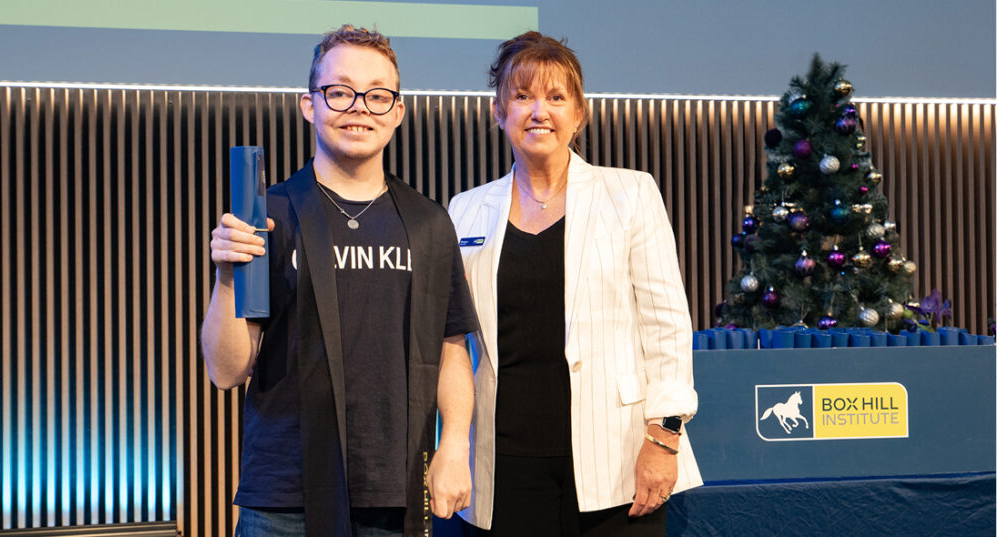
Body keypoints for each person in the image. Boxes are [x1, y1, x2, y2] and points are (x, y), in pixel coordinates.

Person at [201, 25, 479, 537]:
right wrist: (225, 280)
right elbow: (226, 371)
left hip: (395, 492)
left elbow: (451, 347)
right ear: (310, 105)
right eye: (340, 91)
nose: (359, 107)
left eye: (377, 95)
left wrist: (455, 445)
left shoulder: (428, 222)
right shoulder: (271, 216)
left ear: (396, 112)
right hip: (284, 497)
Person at [447, 32, 701, 536]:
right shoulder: (465, 209)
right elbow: (452, 337)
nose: (539, 111)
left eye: (555, 97)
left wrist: (665, 436)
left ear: (579, 114)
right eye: (522, 96)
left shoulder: (630, 193)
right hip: (504, 465)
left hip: (618, 462)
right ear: (499, 113)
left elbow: (667, 324)